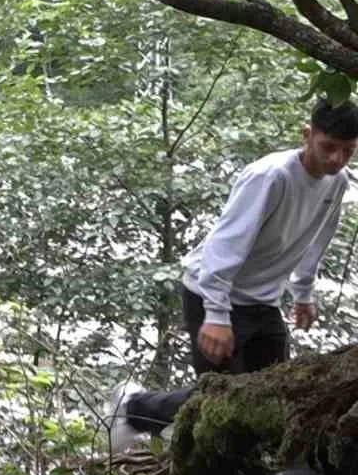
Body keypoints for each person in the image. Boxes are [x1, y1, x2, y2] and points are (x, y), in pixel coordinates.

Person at [109, 98, 358, 451]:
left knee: (276, 397)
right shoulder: (270, 176)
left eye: (347, 151)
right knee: (226, 402)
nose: (336, 159)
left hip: (263, 300)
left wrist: (303, 294)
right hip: (212, 292)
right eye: (328, 147)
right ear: (307, 135)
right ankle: (134, 408)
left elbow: (316, 240)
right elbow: (226, 245)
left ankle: (147, 413)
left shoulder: (338, 182)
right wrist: (216, 314)